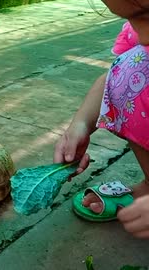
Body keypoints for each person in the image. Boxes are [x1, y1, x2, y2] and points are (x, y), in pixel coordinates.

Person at [54, 0, 149, 239]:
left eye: (146, 15)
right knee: (129, 70)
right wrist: (80, 124)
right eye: (128, 17)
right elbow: (111, 78)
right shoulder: (137, 32)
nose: (142, 36)